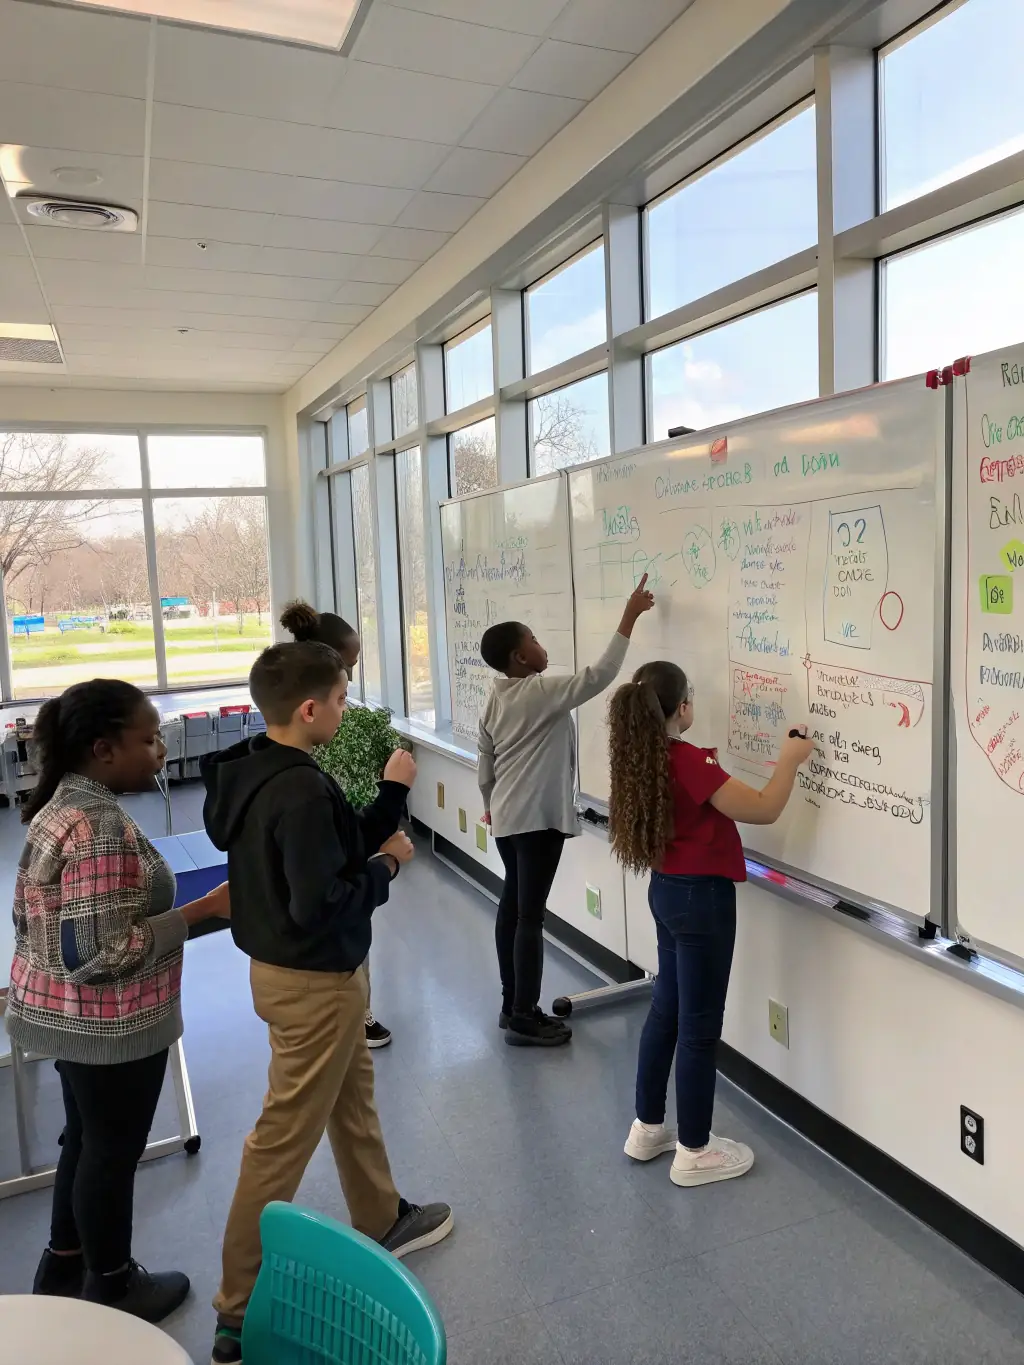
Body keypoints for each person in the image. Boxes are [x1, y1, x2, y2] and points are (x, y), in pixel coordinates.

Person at [202, 641, 452, 1365]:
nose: (346, 709)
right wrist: (390, 864)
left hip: (288, 972)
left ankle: (381, 1217)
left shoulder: (257, 769)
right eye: (342, 699)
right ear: (310, 709)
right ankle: (238, 1308)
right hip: (315, 980)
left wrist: (392, 792)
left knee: (354, 1096)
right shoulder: (302, 790)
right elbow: (328, 898)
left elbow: (329, 854)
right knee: (281, 1139)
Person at [5, 680, 230, 1321]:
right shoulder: (99, 825)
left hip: (58, 1014)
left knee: (85, 1138)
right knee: (109, 1151)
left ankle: (65, 1262)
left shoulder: (62, 804)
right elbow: (99, 954)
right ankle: (112, 1283)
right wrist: (202, 911)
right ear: (103, 749)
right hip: (106, 1026)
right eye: (150, 739)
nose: (163, 750)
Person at [607, 661, 814, 1186]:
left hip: (667, 892)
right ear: (681, 709)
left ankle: (648, 1127)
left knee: (667, 1012)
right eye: (693, 696)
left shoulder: (641, 756)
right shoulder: (689, 761)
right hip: (702, 901)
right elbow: (765, 809)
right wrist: (790, 758)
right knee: (699, 1029)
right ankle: (695, 1150)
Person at [478, 576, 655, 1048]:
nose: (540, 645)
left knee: (513, 907)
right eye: (532, 640)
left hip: (508, 817)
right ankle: (523, 1016)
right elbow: (598, 676)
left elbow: (485, 762)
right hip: (536, 819)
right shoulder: (538, 691)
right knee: (529, 917)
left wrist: (488, 803)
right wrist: (629, 617)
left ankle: (510, 1003)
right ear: (519, 657)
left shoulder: (497, 697)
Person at [280, 600, 392, 1050]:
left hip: (351, 838)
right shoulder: (309, 739)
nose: (352, 676)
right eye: (348, 666)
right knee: (334, 915)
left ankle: (351, 1006)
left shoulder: (353, 723)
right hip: (331, 844)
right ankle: (348, 1011)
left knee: (348, 920)